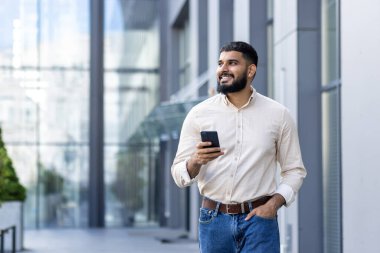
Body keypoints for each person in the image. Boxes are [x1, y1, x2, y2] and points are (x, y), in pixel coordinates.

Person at [171, 41, 306, 253]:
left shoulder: (278, 115)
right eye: (220, 63)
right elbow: (178, 174)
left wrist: (274, 204)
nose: (223, 69)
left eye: (232, 63)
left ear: (251, 70)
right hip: (213, 221)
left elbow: (294, 171)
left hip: (259, 220)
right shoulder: (199, 114)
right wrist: (195, 161)